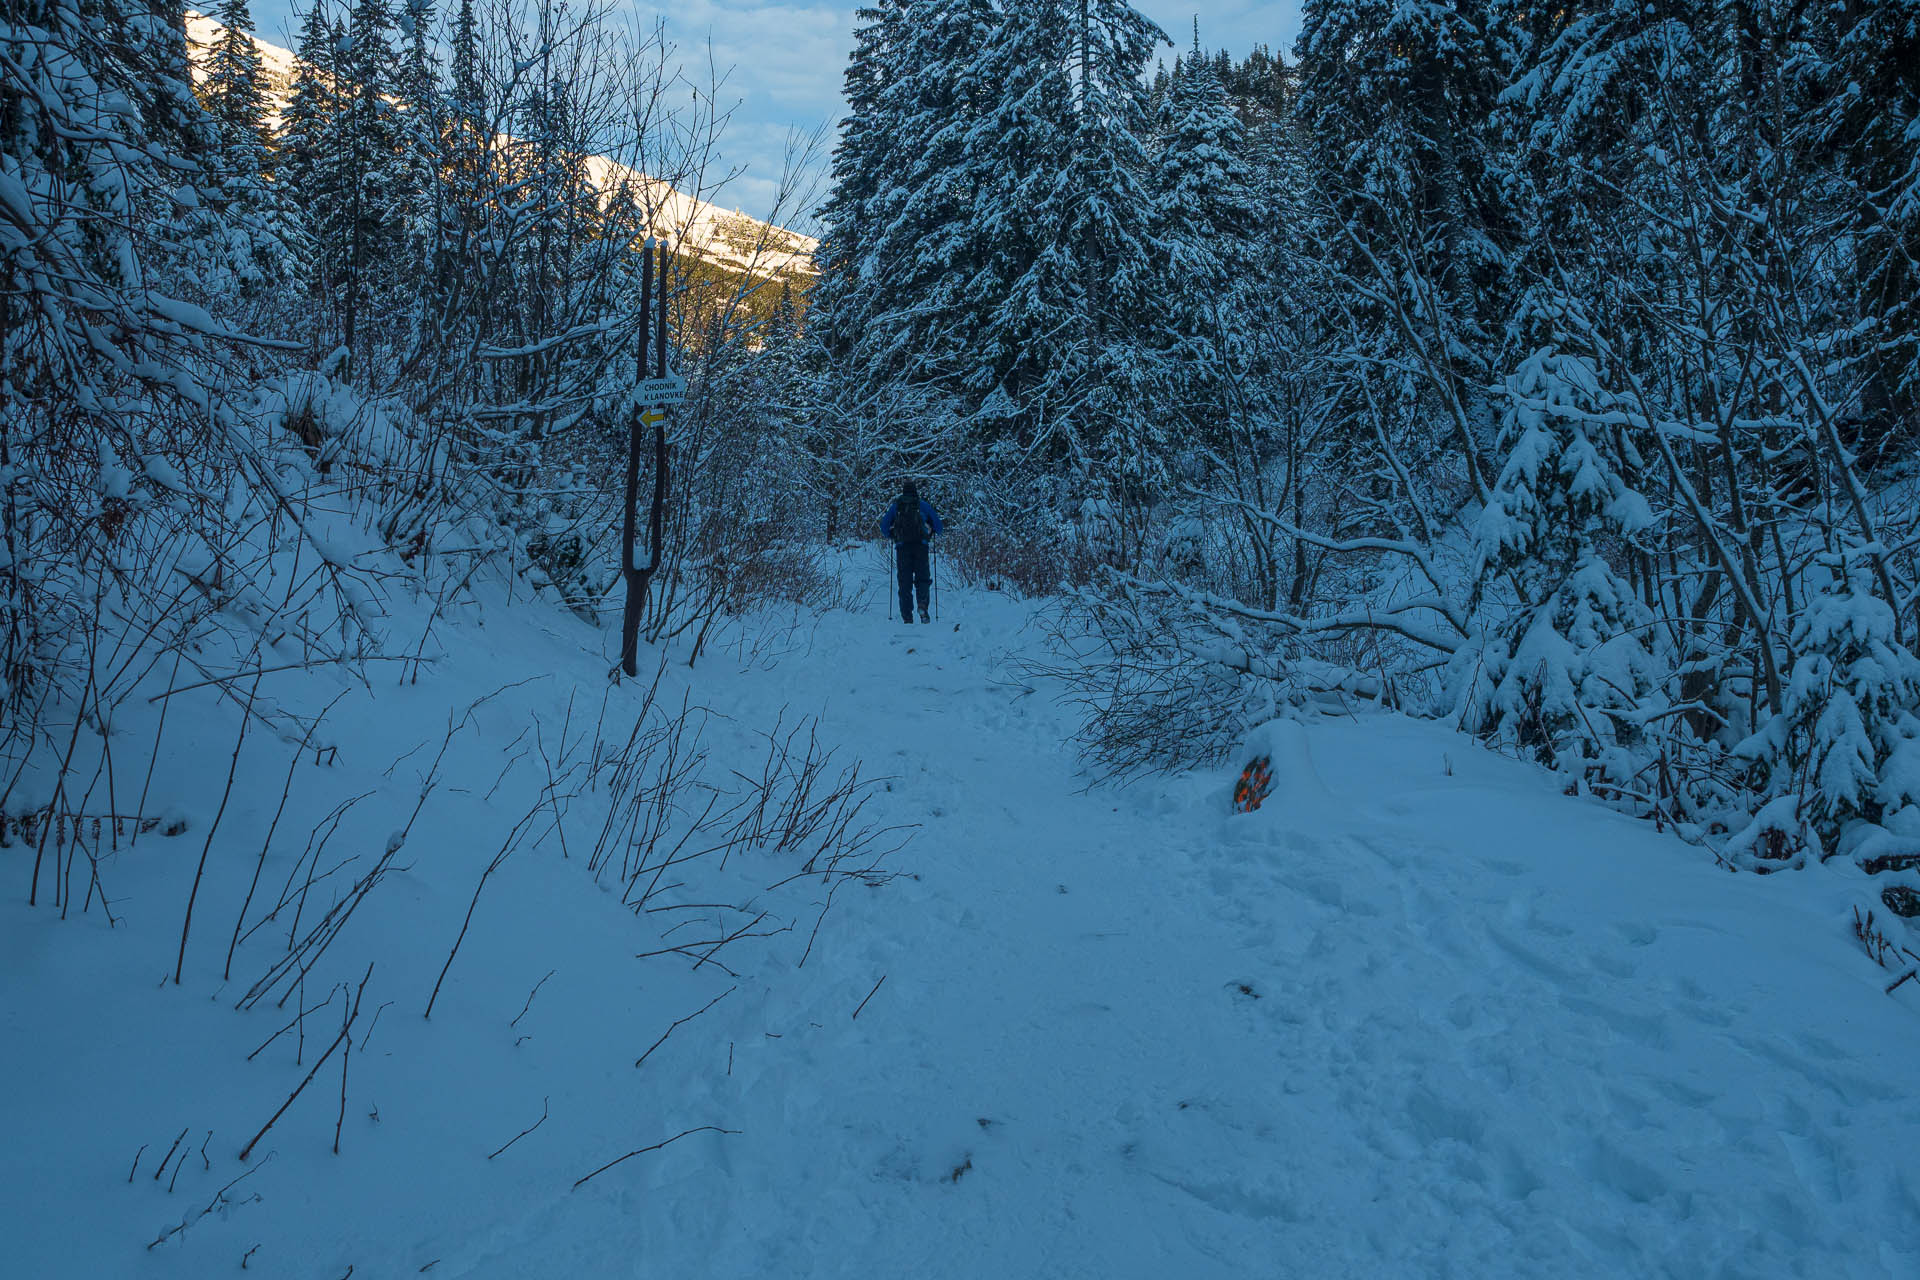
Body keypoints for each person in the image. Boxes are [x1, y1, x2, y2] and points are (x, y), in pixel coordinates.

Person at [879, 481, 944, 623]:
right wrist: (931, 530)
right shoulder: (923, 505)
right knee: (923, 579)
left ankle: (907, 617)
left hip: (902, 548)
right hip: (921, 546)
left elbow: (883, 527)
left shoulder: (896, 506)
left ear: (903, 492)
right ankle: (922, 605)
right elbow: (939, 527)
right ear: (916, 492)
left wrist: (893, 535)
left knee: (904, 583)